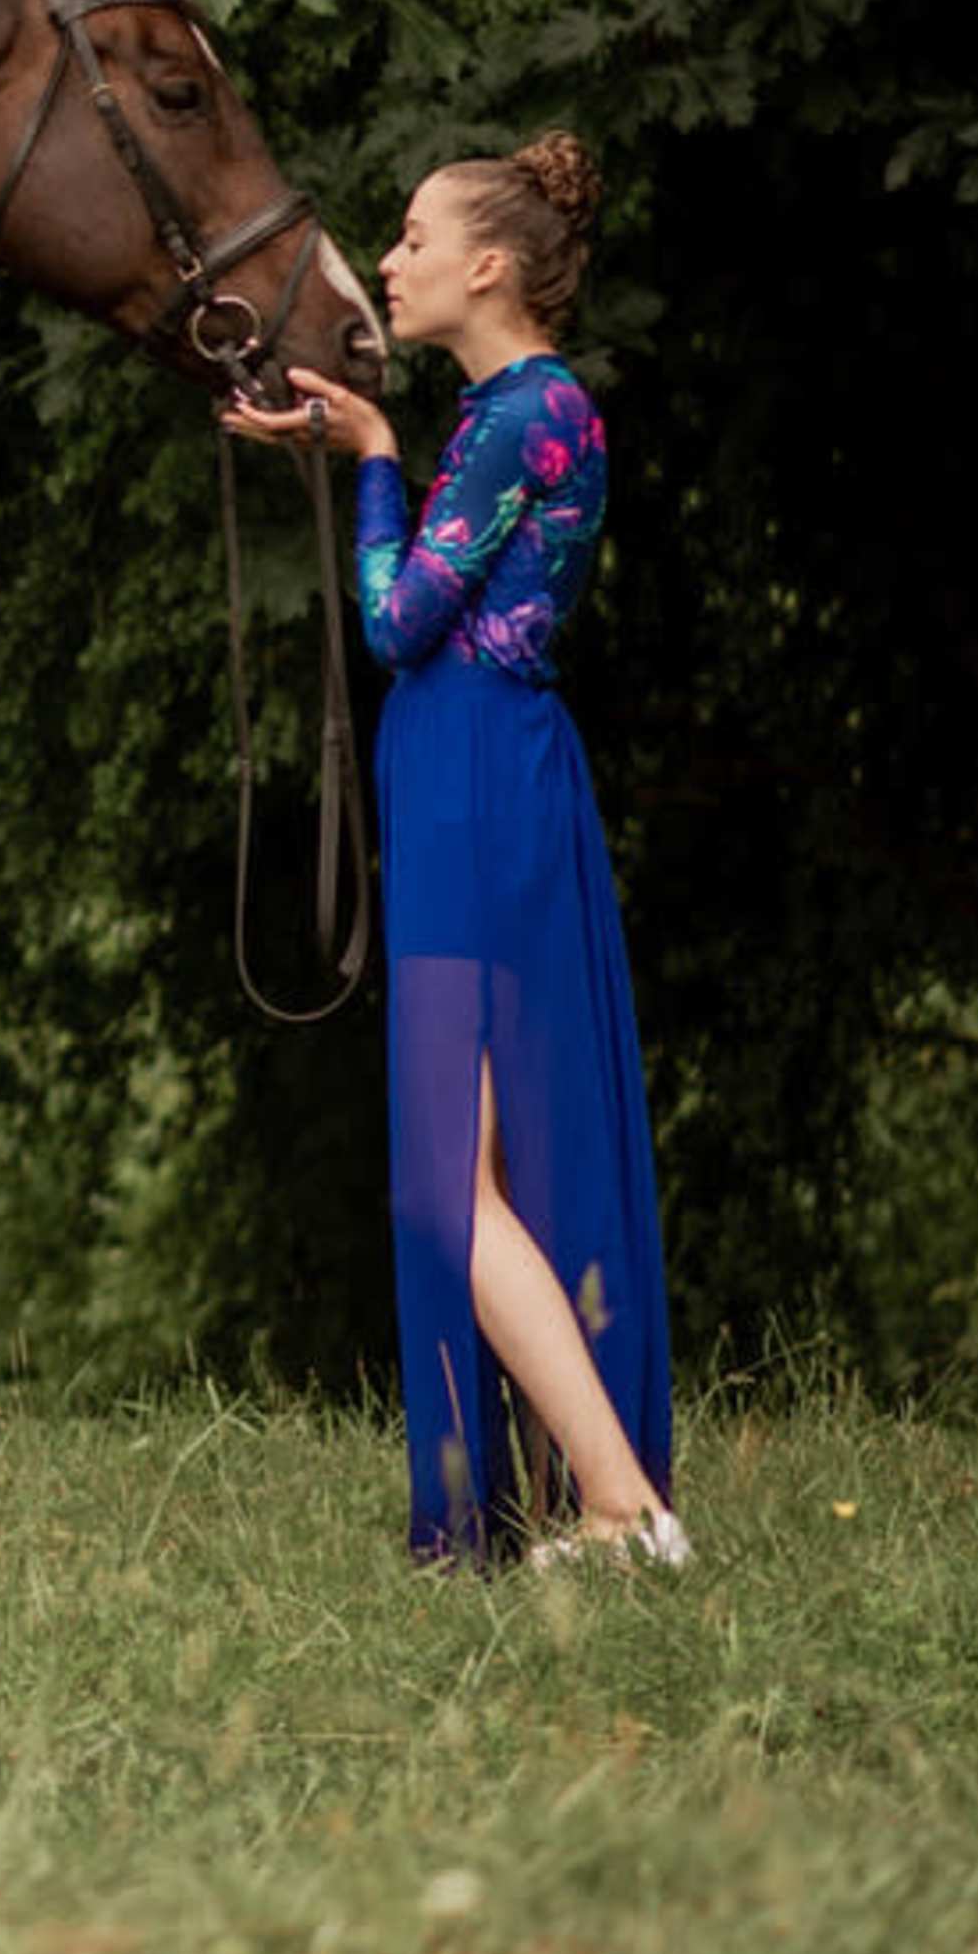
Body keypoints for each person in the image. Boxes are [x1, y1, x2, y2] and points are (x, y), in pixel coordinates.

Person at [223, 129, 684, 1570]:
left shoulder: (515, 418)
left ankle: (619, 1509)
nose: (396, 260)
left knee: (444, 1177)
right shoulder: (540, 412)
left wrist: (369, 461)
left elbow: (399, 620)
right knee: (481, 1162)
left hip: (473, 774)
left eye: (416, 238)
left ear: (489, 265)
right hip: (487, 772)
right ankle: (605, 1503)